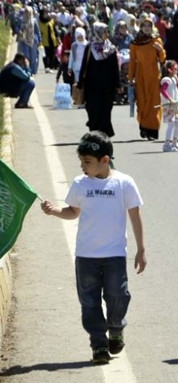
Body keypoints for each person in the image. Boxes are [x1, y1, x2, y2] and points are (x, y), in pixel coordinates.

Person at [39, 131, 146, 365]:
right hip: (86, 256)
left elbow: (135, 216)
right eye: (81, 161)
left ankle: (116, 327)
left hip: (115, 255)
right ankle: (98, 344)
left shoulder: (123, 183)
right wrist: (54, 210)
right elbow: (73, 211)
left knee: (118, 295)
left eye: (87, 162)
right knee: (89, 302)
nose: (83, 166)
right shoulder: (80, 184)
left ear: (105, 160)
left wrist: (141, 249)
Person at [79, 23, 120, 137]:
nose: (107, 34)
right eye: (104, 32)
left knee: (106, 111)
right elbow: (84, 65)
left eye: (107, 32)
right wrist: (80, 82)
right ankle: (94, 131)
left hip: (107, 87)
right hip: (92, 86)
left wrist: (118, 84)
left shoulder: (110, 48)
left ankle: (104, 134)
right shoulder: (90, 47)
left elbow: (115, 67)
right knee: (93, 110)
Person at [128, 18, 166, 140]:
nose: (146, 28)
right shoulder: (135, 42)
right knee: (142, 101)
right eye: (144, 26)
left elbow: (162, 59)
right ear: (140, 27)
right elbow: (132, 61)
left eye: (149, 26)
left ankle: (153, 131)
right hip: (140, 75)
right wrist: (130, 77)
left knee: (154, 102)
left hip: (154, 75)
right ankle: (143, 127)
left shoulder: (156, 40)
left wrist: (160, 50)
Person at [160, 60, 178, 153]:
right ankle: (166, 144)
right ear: (170, 70)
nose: (176, 71)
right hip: (169, 105)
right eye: (175, 69)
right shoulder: (166, 80)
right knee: (171, 124)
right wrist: (169, 99)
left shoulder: (173, 79)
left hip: (175, 106)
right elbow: (163, 90)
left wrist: (177, 78)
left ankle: (174, 142)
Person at [14, 6, 41, 75]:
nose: (27, 13)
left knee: (33, 57)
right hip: (23, 40)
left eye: (29, 11)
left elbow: (37, 31)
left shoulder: (34, 20)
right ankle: (26, 70)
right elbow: (16, 27)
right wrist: (19, 31)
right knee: (26, 56)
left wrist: (39, 39)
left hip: (33, 40)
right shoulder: (20, 19)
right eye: (26, 11)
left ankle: (32, 71)